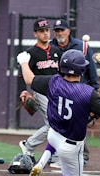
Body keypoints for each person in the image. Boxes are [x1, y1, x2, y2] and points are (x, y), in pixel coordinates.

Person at [49, 19, 99, 166]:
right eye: (57, 30)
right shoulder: (50, 47)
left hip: (79, 91)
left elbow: (91, 71)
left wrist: (94, 90)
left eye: (62, 30)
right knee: (58, 123)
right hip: (60, 90)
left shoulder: (82, 46)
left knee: (77, 124)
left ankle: (82, 156)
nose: (60, 33)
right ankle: (59, 154)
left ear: (68, 31)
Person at [17, 17, 63, 164]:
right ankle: (50, 154)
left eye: (46, 30)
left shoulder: (57, 51)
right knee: (53, 123)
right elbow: (21, 74)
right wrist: (23, 91)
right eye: (41, 31)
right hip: (40, 92)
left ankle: (29, 145)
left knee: (58, 123)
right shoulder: (30, 53)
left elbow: (63, 72)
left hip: (57, 92)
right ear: (35, 34)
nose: (45, 34)